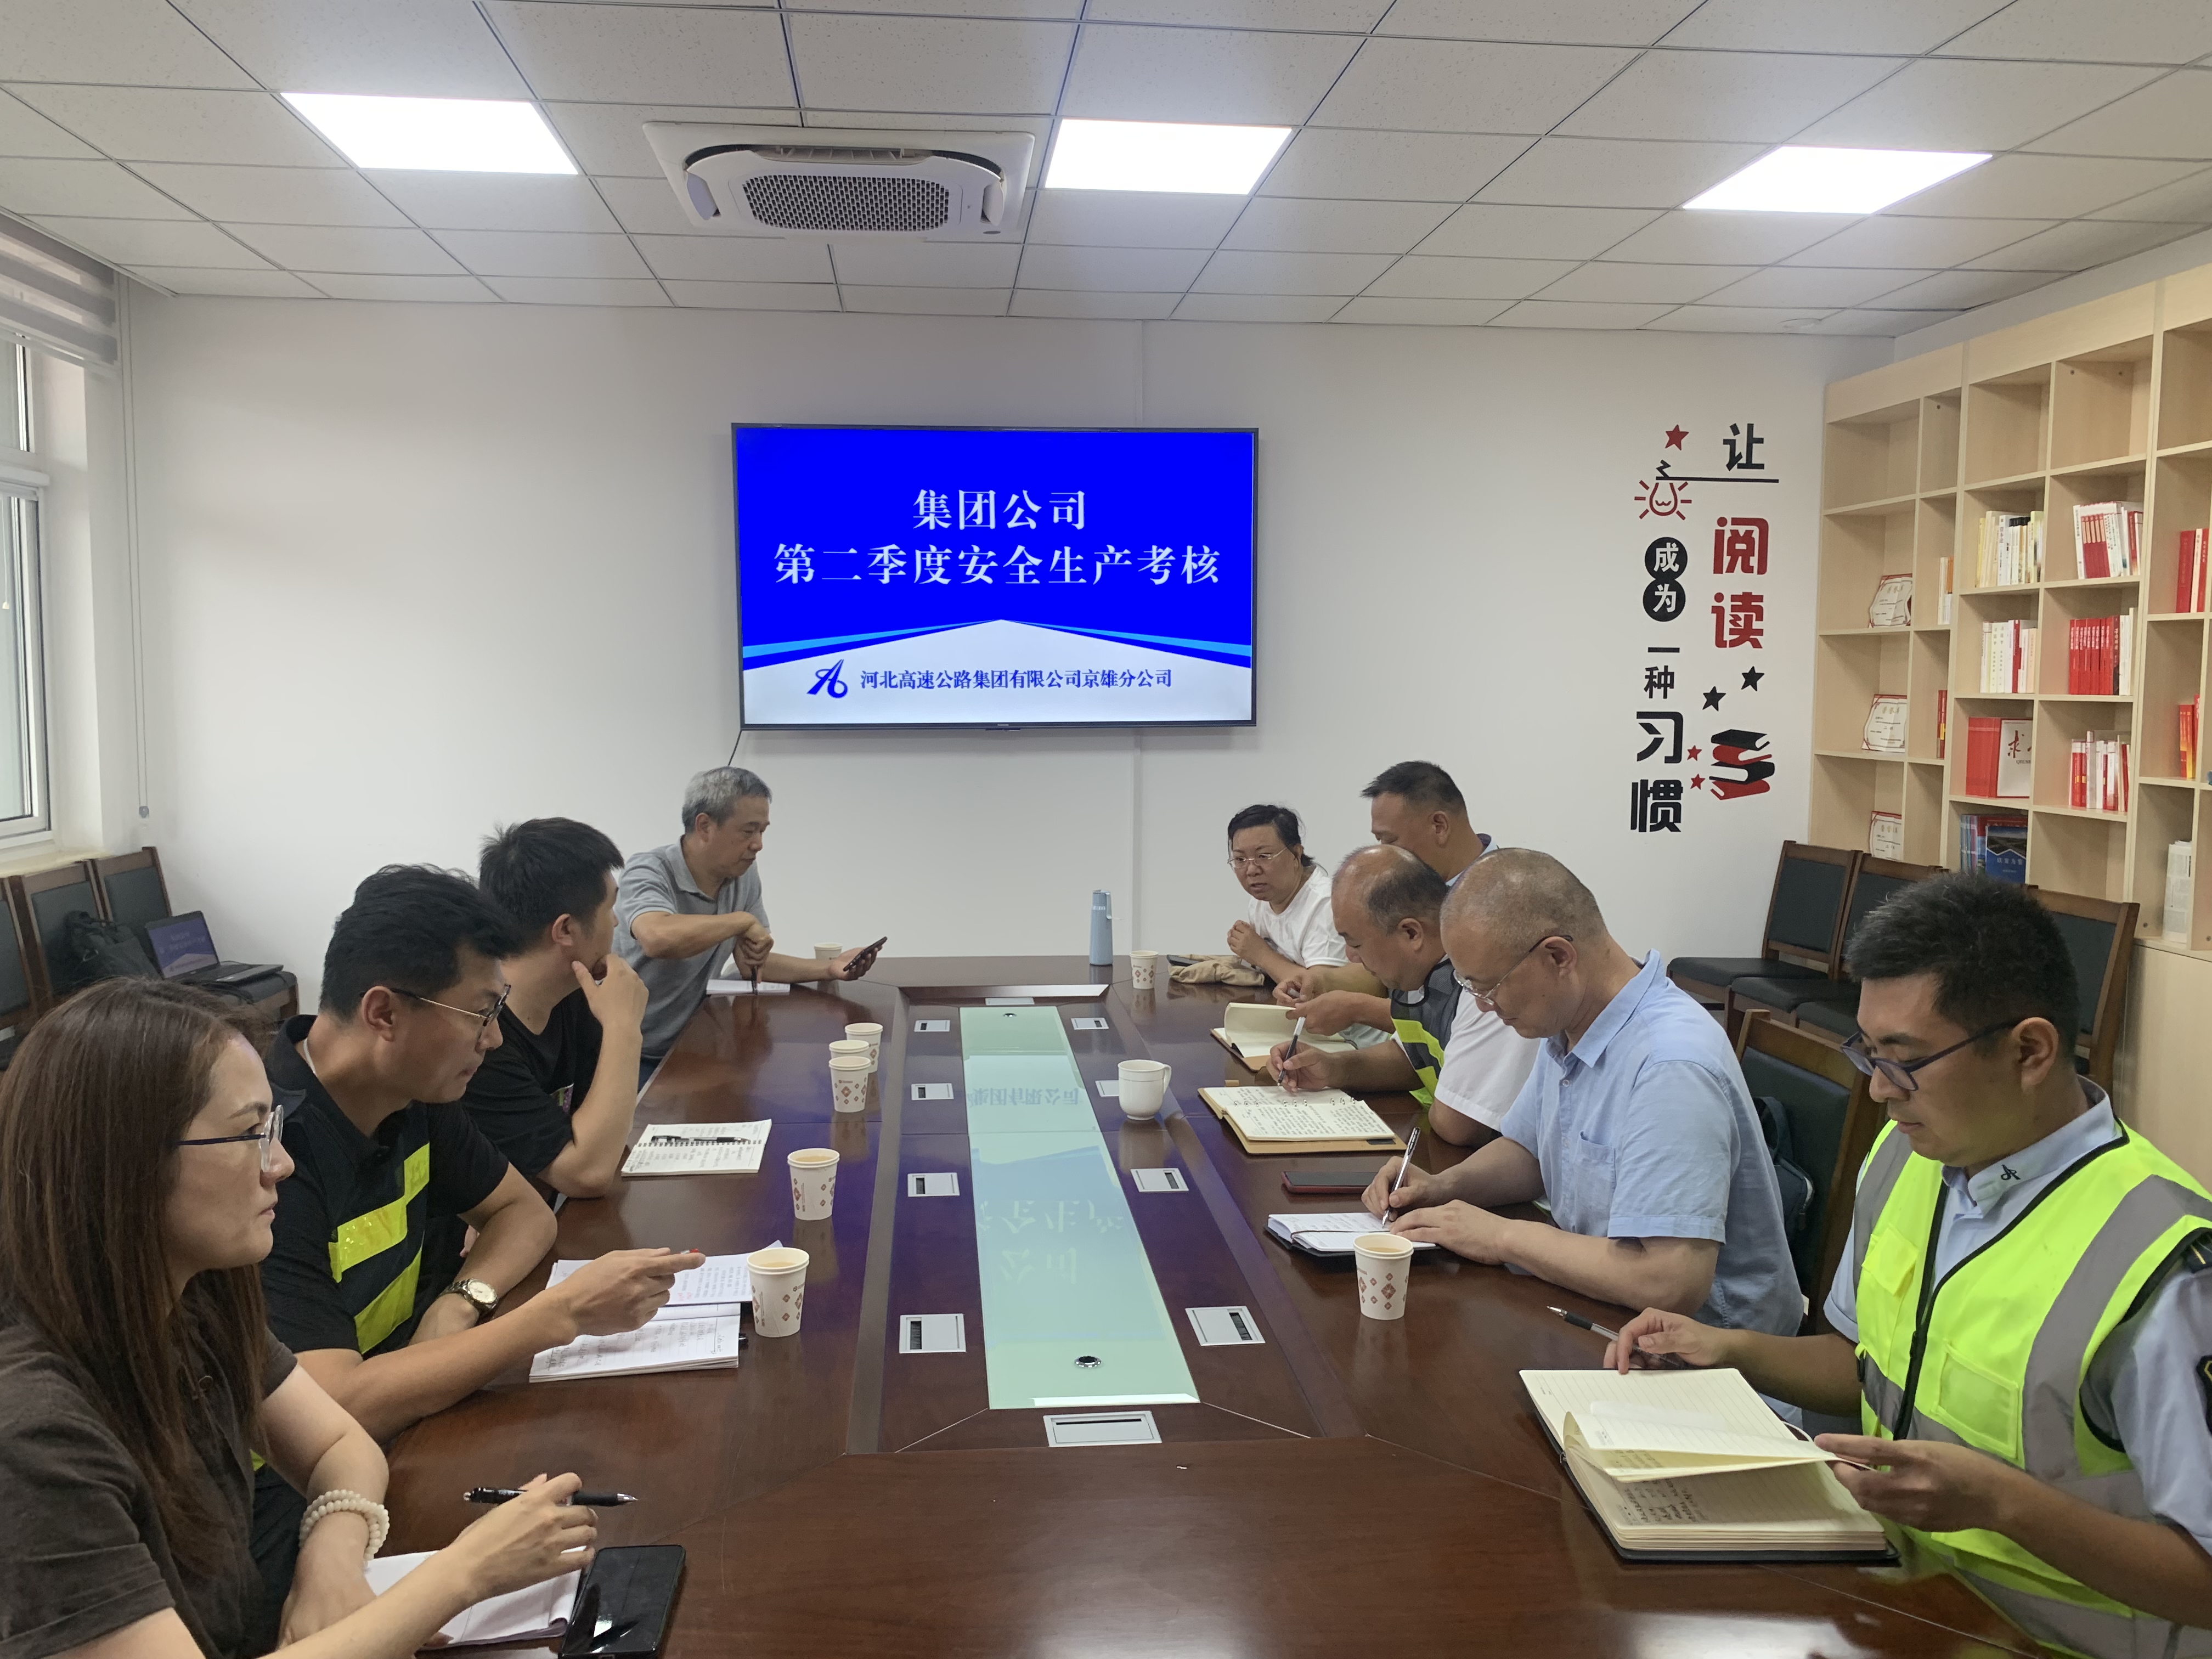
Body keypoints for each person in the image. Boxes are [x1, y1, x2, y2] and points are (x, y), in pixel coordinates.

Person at [1607, 877, 2212, 1658]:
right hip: (1892, 1596)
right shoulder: (1907, 1160)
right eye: (1867, 1051)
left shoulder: (2165, 1266)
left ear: (2029, 1051)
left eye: (1905, 1060)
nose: (1877, 1089)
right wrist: (1730, 1349)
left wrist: (2002, 1504)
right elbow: (1869, 1368)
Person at [0, 978, 596, 1659]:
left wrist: (330, 1559)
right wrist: (463, 1575)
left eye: (274, 1128)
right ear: (124, 1164)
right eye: (248, 1134)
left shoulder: (195, 1299)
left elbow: (339, 1445)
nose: (280, 1163)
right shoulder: (33, 1434)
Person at [256, 867, 698, 1589]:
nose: (493, 1039)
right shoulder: (271, 1156)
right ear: (384, 1013)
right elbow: (338, 1403)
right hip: (285, 1497)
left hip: (408, 1422)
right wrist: (556, 1316)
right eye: (480, 1013)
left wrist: (463, 1302)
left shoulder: (413, 1093)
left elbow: (523, 1215)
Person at [1364, 848, 1799, 1335]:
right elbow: (1531, 1151)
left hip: (1703, 1353)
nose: (1485, 1007)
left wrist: (1501, 1236)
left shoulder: (1670, 1065)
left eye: (1490, 987)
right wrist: (1443, 1187)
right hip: (1604, 1311)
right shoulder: (1567, 1024)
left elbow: (1669, 1282)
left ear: (1558, 957)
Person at [1276, 761, 1514, 1137]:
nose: (1386, 855)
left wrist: (1356, 1007)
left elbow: (1462, 1120)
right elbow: (1416, 1047)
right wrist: (1334, 1065)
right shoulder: (1420, 906)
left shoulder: (1500, 921)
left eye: (1390, 841)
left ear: (1439, 825)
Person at [617, 767, 881, 1082]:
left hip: (689, 1048)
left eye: (763, 831)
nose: (758, 844)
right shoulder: (648, 870)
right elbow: (656, 937)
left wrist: (829, 969)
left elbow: (752, 963)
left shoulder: (742, 874)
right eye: (748, 831)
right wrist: (741, 921)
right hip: (629, 1054)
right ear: (705, 826)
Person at [1269, 846, 1536, 1147]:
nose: (1351, 957)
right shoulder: (1422, 975)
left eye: (1356, 944)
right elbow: (1412, 1058)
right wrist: (1332, 1068)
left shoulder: (1482, 988)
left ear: (1411, 934)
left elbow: (1458, 1124)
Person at [469, 817, 648, 1200]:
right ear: (565, 929)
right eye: (610, 908)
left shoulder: (574, 997)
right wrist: (623, 1028)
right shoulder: (481, 1039)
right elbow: (587, 1173)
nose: (616, 921)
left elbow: (605, 1136)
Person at [1222, 804, 1345, 986]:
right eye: (1240, 859)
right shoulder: (1259, 901)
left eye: (1263, 856)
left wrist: (1261, 955)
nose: (1251, 870)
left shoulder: (1327, 904)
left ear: (1296, 854)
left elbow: (1318, 990)